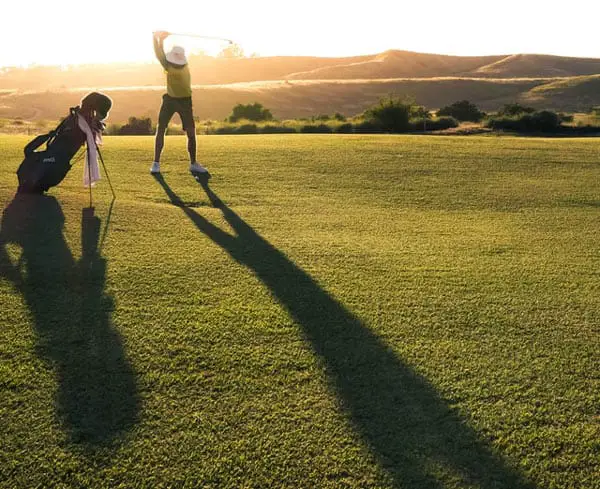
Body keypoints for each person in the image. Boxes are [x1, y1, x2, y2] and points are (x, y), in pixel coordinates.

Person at [150, 31, 208, 175]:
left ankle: (192, 163)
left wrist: (158, 38)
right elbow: (160, 55)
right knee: (166, 130)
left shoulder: (170, 67)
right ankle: (157, 163)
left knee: (187, 132)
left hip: (183, 101)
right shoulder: (179, 65)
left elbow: (159, 54)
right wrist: (159, 39)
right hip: (172, 100)